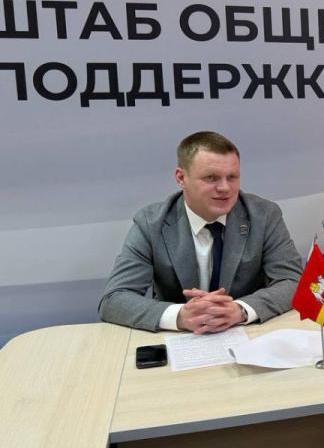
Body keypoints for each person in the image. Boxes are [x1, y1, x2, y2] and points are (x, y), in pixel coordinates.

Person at [99, 131, 303, 332]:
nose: (225, 188)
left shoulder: (264, 215)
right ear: (181, 178)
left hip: (245, 334)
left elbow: (293, 282)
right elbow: (114, 299)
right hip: (180, 339)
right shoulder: (151, 223)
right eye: (211, 178)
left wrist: (239, 310)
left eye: (232, 177)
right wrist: (180, 316)